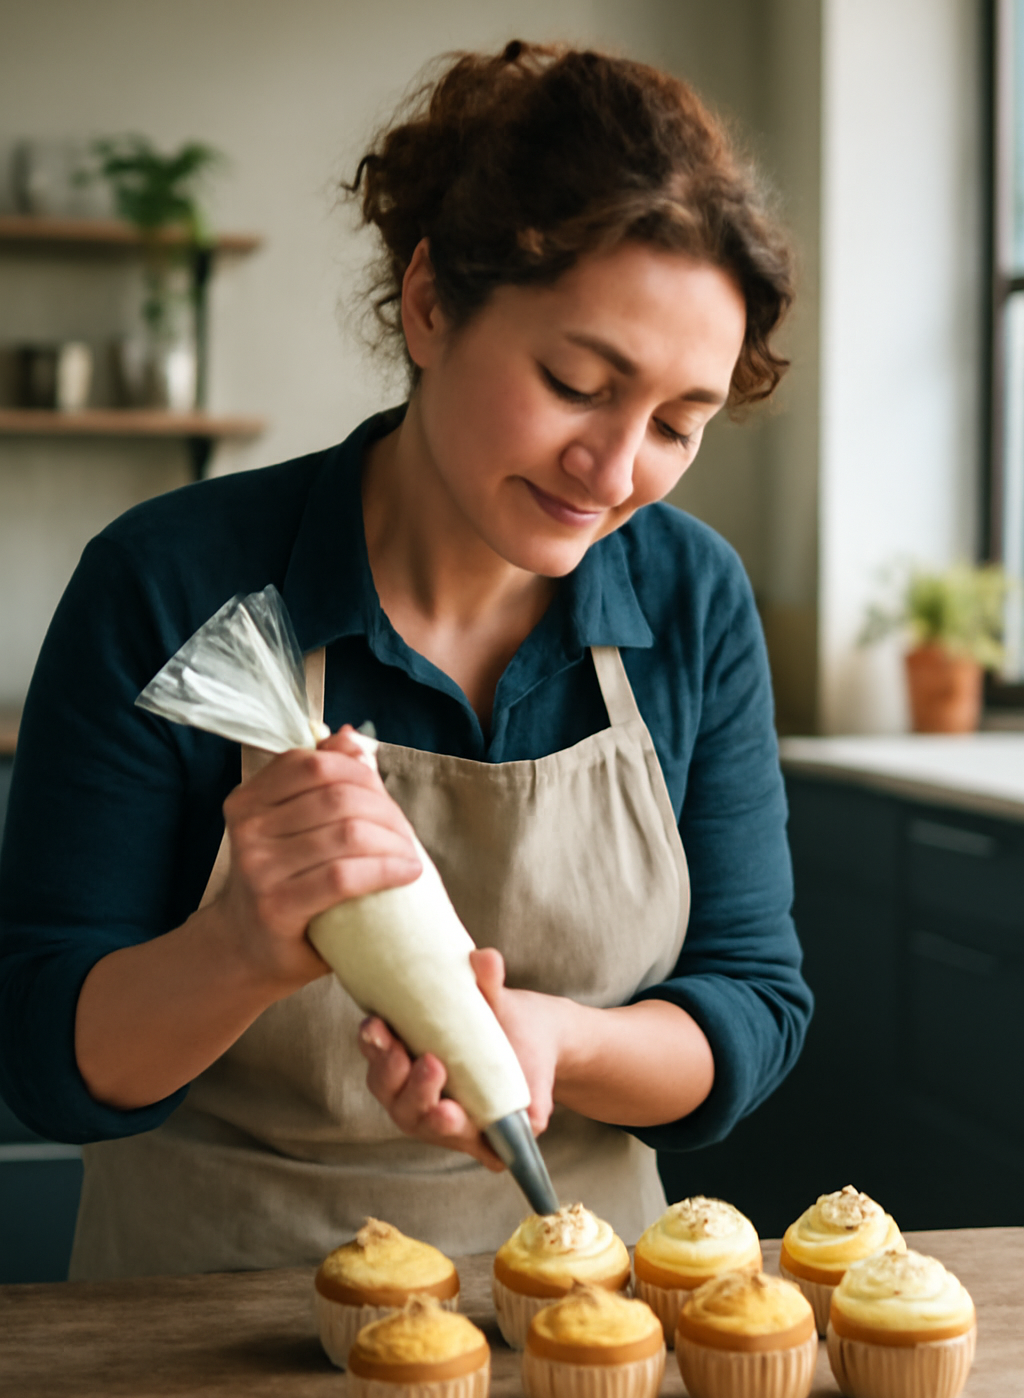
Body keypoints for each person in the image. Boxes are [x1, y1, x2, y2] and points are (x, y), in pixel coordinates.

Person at [0, 41, 811, 1279]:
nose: (611, 470)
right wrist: (236, 948)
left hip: (580, 1312)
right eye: (574, 383)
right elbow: (42, 1059)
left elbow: (754, 1002)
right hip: (203, 1328)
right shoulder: (167, 582)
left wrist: (555, 1043)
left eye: (675, 425)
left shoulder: (690, 599)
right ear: (429, 304)